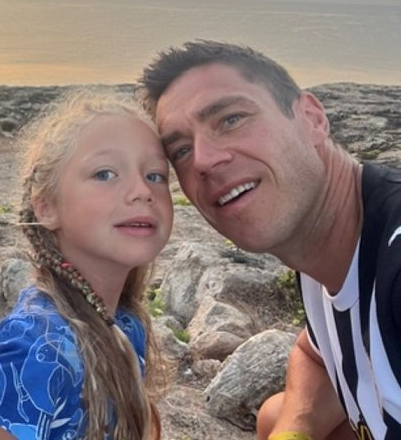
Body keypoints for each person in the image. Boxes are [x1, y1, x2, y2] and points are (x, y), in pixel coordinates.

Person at [139, 40, 401, 440]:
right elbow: (315, 354)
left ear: (312, 118)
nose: (205, 160)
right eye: (181, 150)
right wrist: (293, 429)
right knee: (274, 415)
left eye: (230, 119)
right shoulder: (325, 249)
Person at [0, 89, 170, 440]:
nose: (142, 190)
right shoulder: (36, 346)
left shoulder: (126, 323)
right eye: (106, 174)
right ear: (46, 207)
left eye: (156, 175)